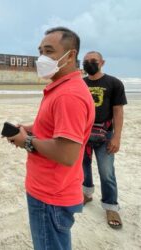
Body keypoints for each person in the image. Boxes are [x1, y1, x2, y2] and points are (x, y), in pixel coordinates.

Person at [4, 27, 95, 250]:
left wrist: (26, 141)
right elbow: (57, 128)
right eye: (40, 51)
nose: (42, 58)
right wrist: (29, 129)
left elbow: (66, 154)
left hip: (51, 195)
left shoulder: (68, 95)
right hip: (54, 189)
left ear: (71, 55)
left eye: (49, 51)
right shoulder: (63, 88)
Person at [82, 51, 127, 229]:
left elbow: (118, 111)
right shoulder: (79, 83)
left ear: (102, 62)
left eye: (93, 61)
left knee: (106, 171)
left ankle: (111, 206)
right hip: (83, 133)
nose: (89, 63)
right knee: (83, 166)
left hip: (106, 134)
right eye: (86, 61)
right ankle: (86, 193)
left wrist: (116, 136)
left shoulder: (114, 83)